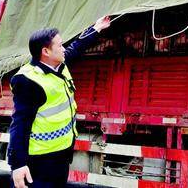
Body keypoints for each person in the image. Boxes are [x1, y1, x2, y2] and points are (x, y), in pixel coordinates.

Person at [8, 15, 111, 188]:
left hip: (61, 155)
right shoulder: (28, 80)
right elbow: (19, 124)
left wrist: (97, 28)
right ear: (46, 52)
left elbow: (76, 47)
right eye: (60, 45)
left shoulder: (59, 65)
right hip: (40, 161)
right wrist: (17, 164)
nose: (64, 49)